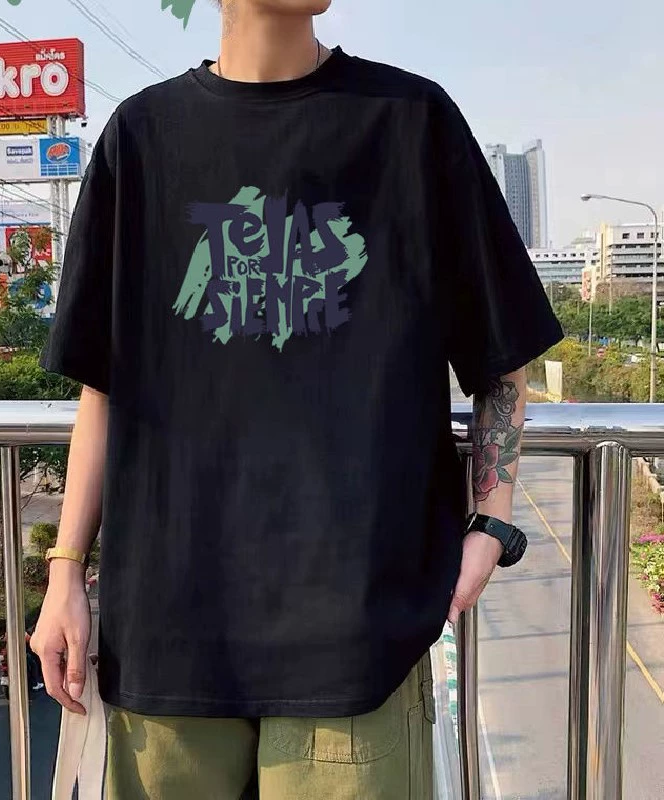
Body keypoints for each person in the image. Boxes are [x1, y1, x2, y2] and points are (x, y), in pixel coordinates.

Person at [33, 0, 563, 797]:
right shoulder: (140, 138)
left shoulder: (410, 121)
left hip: (357, 633)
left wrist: (490, 524)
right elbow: (102, 389)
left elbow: (502, 358)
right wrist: (66, 571)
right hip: (168, 629)